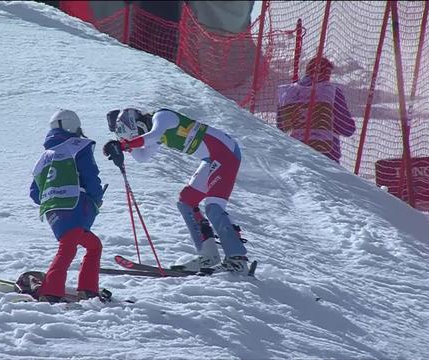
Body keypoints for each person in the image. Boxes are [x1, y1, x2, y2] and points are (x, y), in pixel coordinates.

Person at [102, 108, 249, 273]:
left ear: (141, 125)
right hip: (211, 158)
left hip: (225, 153)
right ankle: (208, 254)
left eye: (138, 135)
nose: (139, 139)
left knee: (213, 207)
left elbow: (153, 136)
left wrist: (124, 144)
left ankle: (237, 259)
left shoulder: (163, 117)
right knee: (186, 202)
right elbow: (142, 157)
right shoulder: (155, 136)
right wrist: (122, 144)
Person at [29, 109, 105, 303]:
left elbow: (34, 192)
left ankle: (86, 288)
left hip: (53, 210)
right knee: (69, 248)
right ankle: (51, 291)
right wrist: (96, 197)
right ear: (72, 126)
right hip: (75, 206)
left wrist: (53, 195)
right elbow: (90, 175)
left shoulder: (44, 157)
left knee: (92, 245)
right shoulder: (78, 146)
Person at [276, 56, 356, 163]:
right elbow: (346, 128)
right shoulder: (331, 91)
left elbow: (281, 126)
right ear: (326, 73)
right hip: (326, 152)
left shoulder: (288, 92)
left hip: (294, 151)